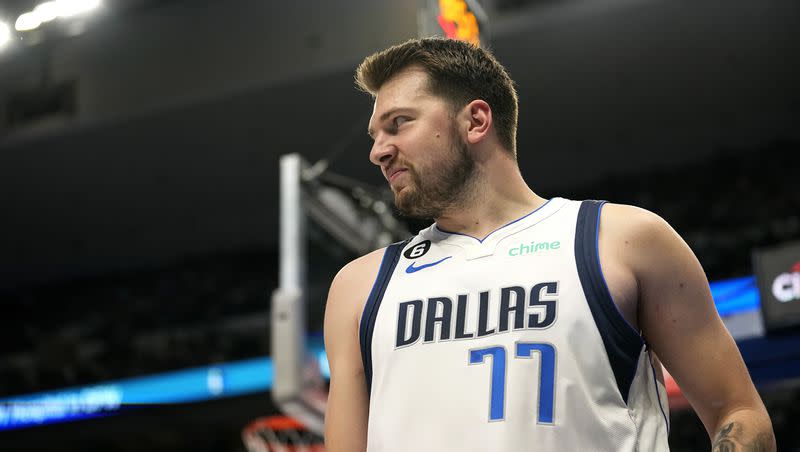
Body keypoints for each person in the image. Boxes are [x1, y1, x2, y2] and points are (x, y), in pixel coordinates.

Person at [322, 37, 775, 452]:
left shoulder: (620, 240)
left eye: (398, 124)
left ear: (476, 121)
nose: (378, 151)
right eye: (375, 136)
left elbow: (739, 413)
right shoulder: (359, 287)